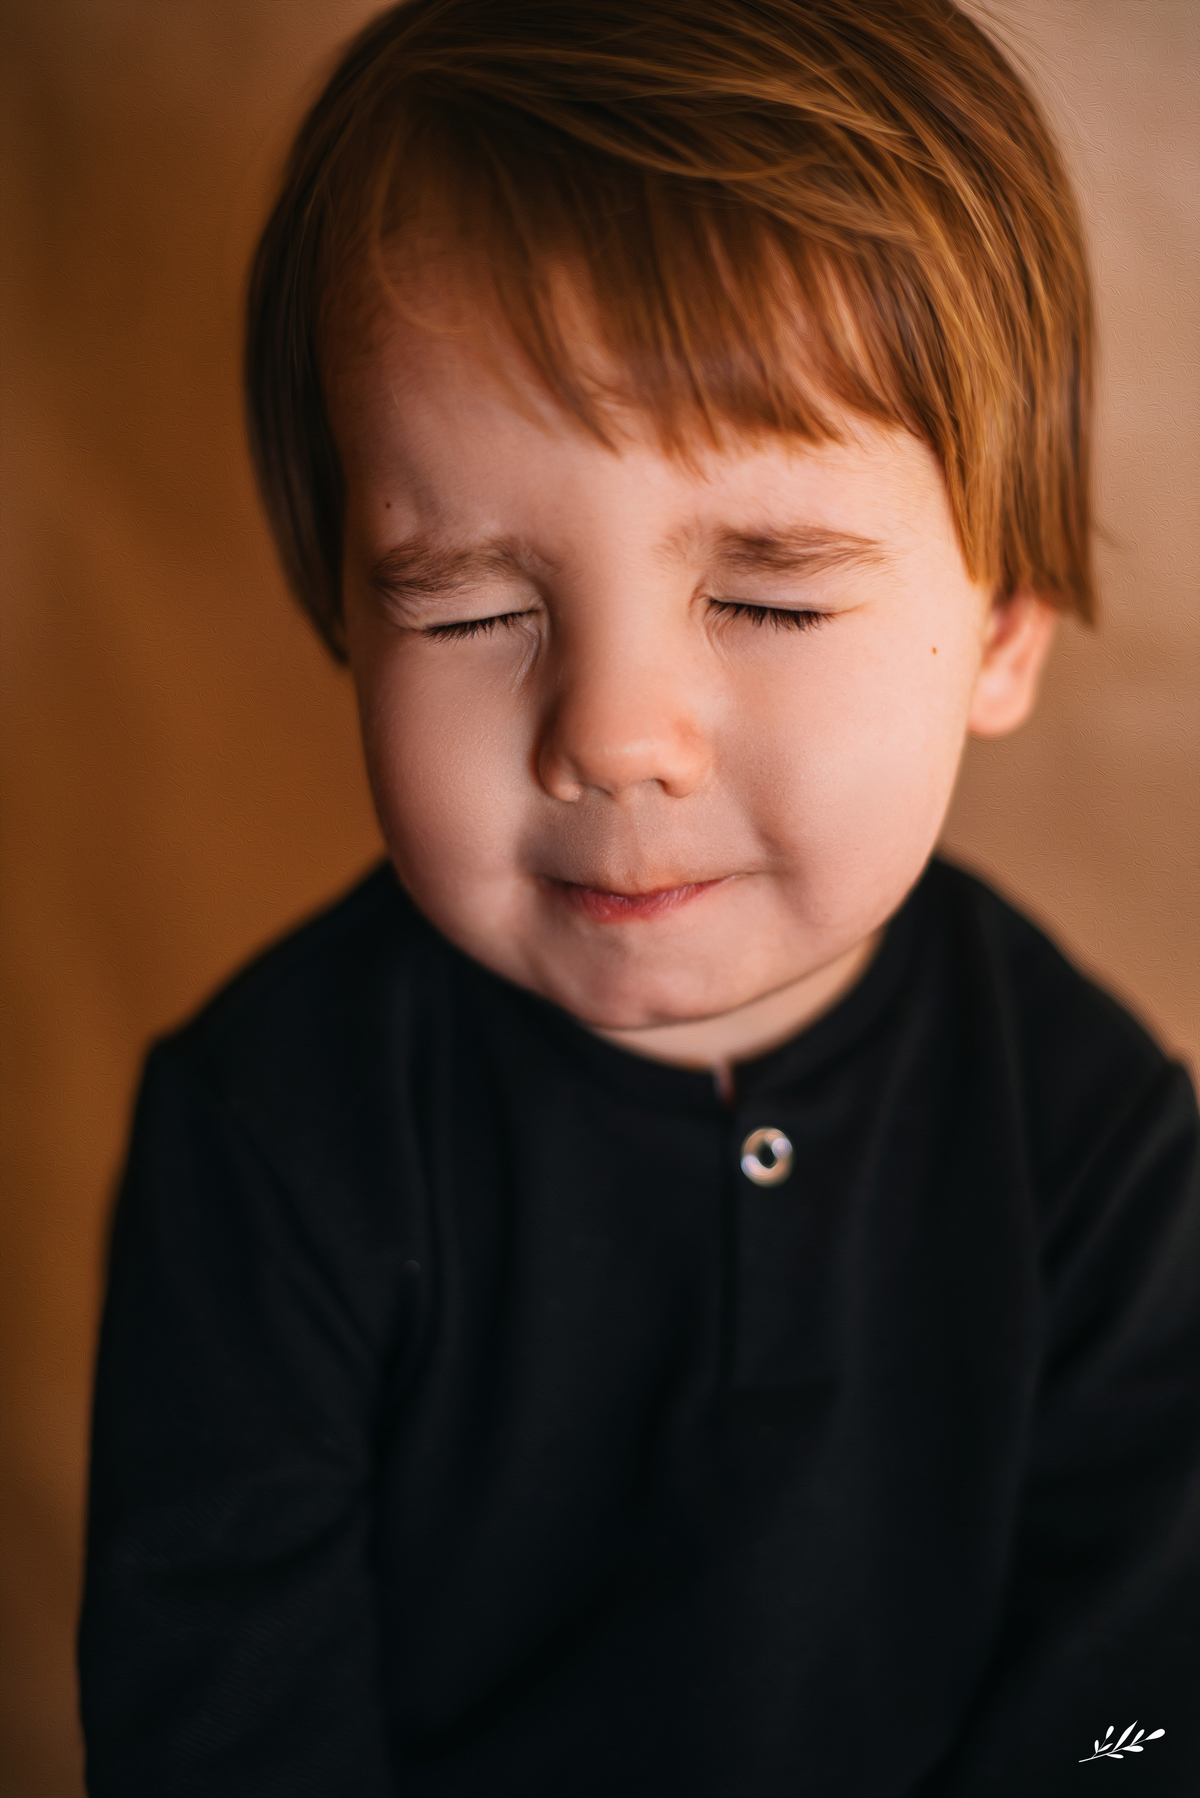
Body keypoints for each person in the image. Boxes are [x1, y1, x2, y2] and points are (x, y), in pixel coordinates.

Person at [77, 1, 1199, 1792]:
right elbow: (220, 1718)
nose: (610, 737)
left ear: (1001, 627)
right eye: (465, 609)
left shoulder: (1102, 1150)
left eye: (766, 595)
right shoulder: (273, 1137)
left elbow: (1138, 1716)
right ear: (347, 630)